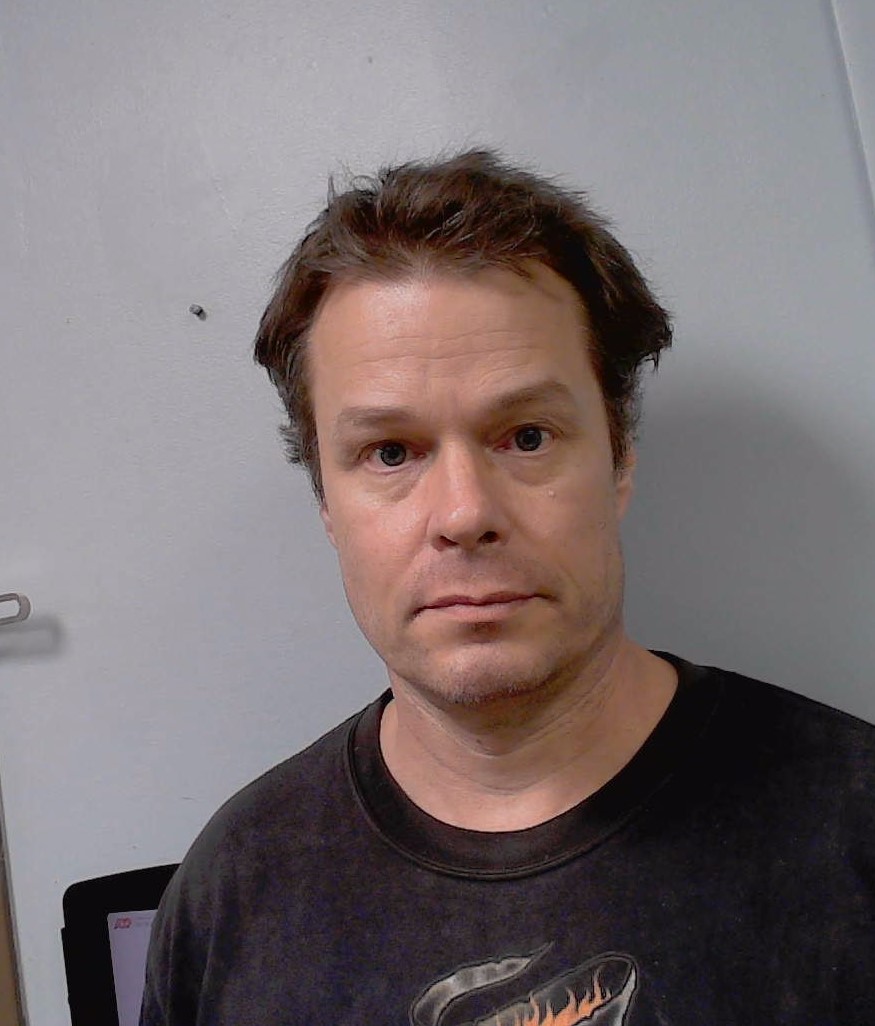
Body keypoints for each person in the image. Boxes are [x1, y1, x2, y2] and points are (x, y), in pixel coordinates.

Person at [141, 150, 875, 1026]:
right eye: (389, 452)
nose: (464, 513)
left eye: (526, 436)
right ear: (327, 504)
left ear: (619, 459)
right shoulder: (232, 895)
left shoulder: (851, 825)